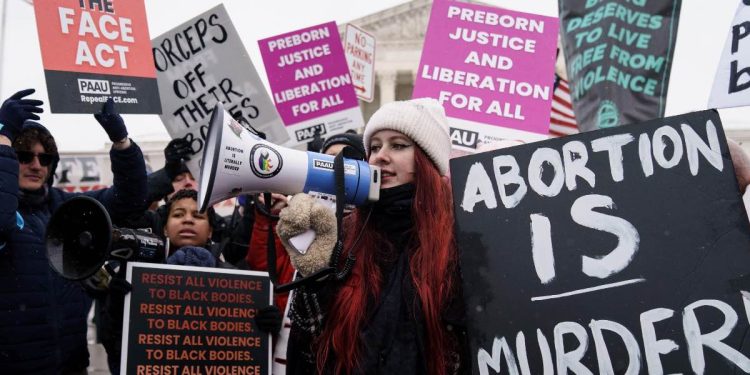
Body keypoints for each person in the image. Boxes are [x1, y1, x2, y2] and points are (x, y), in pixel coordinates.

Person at [277, 98, 468, 374]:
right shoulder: (347, 234)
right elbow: (309, 346)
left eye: (398, 145)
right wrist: (314, 277)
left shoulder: (459, 241)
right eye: (375, 147)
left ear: (428, 161)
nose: (380, 156)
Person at [0, 89, 147, 374]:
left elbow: (130, 201)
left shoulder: (66, 207)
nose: (35, 165)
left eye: (45, 159)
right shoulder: (7, 212)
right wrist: (2, 138)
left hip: (72, 365)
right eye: (23, 155)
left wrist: (122, 143)